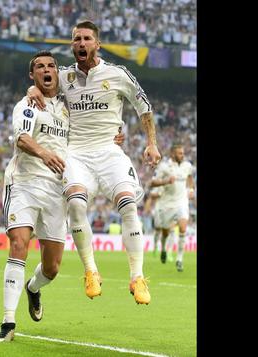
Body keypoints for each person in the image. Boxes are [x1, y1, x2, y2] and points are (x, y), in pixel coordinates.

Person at [0, 50, 126, 342]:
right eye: (39, 67)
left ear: (57, 72)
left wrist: (113, 138)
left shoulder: (70, 108)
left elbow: (93, 130)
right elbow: (22, 138)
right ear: (32, 75)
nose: (46, 70)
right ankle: (7, 322)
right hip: (25, 183)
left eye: (51, 66)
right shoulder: (28, 104)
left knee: (52, 268)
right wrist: (44, 153)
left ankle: (33, 288)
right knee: (18, 244)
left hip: (57, 189)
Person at [27, 20, 161, 305]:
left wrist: (151, 143)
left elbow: (144, 107)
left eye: (87, 39)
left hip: (109, 151)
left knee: (128, 203)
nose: (81, 44)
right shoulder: (64, 76)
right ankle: (91, 271)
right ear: (72, 45)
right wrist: (32, 91)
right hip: (75, 152)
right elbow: (42, 84)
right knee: (76, 203)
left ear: (97, 44)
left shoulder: (117, 73)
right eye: (76, 39)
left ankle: (137, 277)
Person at [150, 144, 196, 272]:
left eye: (183, 153)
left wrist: (191, 189)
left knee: (182, 228)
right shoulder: (164, 167)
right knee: (165, 232)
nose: (182, 155)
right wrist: (166, 181)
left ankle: (179, 259)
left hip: (182, 202)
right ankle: (163, 248)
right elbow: (153, 182)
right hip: (166, 204)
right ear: (173, 154)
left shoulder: (187, 166)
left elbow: (190, 178)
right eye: (179, 153)